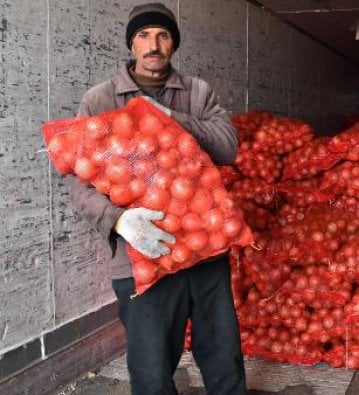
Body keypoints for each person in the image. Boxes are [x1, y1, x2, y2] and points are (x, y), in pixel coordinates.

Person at [66, 3, 246, 394]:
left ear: (173, 44)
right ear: (131, 43)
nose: (154, 44)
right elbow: (77, 182)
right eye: (144, 36)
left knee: (223, 355)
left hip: (203, 251)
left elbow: (228, 147)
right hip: (140, 255)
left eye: (163, 36)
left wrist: (168, 116)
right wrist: (117, 220)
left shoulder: (197, 92)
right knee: (150, 367)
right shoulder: (100, 100)